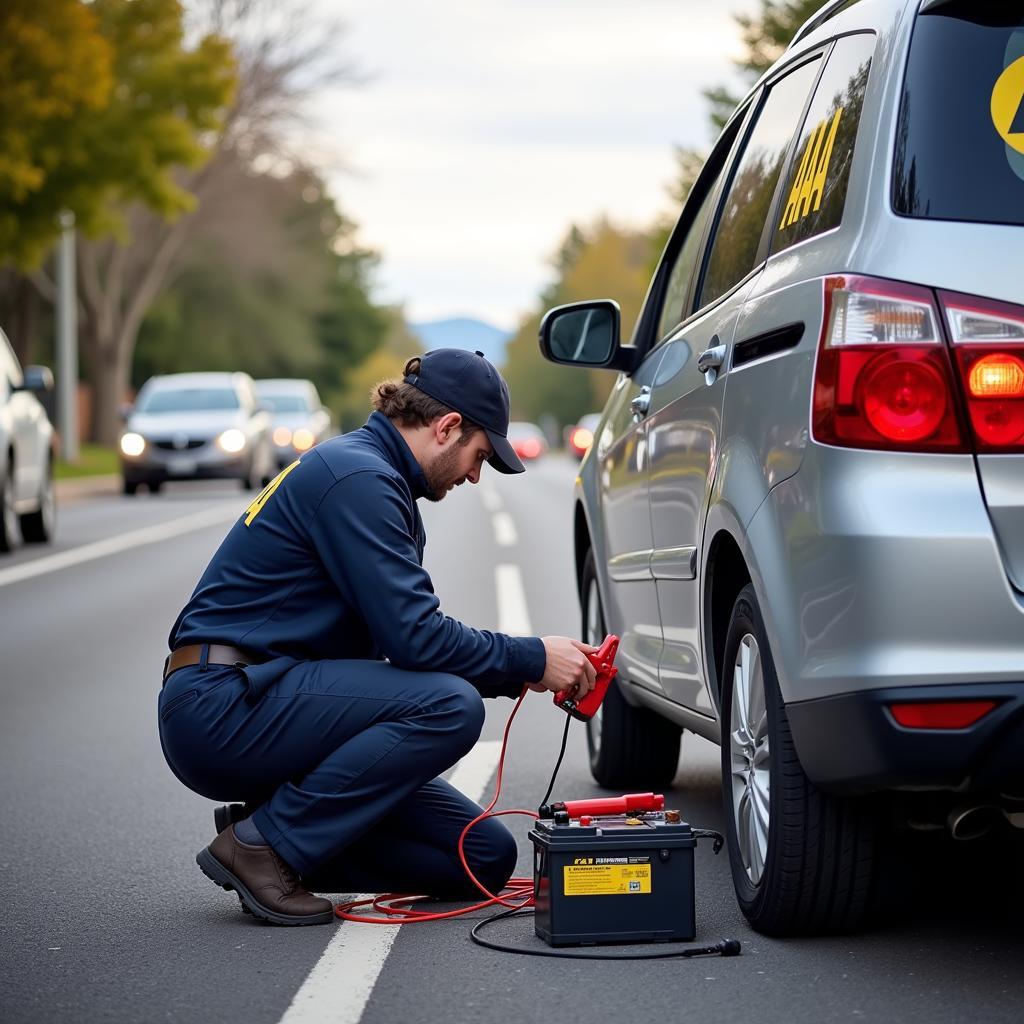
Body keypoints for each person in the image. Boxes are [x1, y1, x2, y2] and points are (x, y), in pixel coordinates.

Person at [158, 348, 598, 926]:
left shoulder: (368, 472)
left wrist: (522, 667)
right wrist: (532, 657)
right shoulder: (359, 478)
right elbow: (416, 639)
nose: (474, 475)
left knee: (482, 857)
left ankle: (275, 825)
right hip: (224, 704)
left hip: (268, 699)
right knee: (448, 706)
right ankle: (266, 845)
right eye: (480, 457)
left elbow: (398, 645)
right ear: (446, 428)